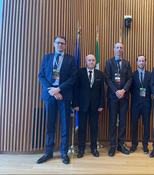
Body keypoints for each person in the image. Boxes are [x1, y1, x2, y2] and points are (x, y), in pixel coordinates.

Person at [37, 36, 77, 164]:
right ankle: (48, 152)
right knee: (50, 124)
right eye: (58, 43)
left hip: (64, 95)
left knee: (65, 124)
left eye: (63, 43)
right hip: (50, 96)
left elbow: (73, 78)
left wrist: (59, 89)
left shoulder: (70, 59)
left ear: (65, 45)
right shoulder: (47, 57)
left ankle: (64, 153)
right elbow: (41, 75)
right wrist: (52, 90)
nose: (60, 45)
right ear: (54, 44)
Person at [73, 54, 105, 158]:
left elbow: (102, 91)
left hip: (95, 106)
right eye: (89, 60)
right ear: (86, 62)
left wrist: (101, 104)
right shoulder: (80, 72)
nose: (91, 62)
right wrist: (75, 104)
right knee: (82, 128)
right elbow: (75, 89)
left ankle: (94, 148)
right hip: (82, 106)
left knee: (94, 128)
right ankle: (81, 149)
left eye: (93, 60)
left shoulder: (100, 74)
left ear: (95, 62)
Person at [104, 42, 132, 157]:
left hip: (124, 97)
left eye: (121, 47)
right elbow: (107, 78)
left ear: (123, 50)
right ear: (114, 49)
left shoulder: (127, 63)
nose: (119, 49)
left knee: (123, 122)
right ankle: (112, 146)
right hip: (113, 97)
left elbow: (130, 78)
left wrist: (123, 90)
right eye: (117, 47)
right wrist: (116, 91)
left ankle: (121, 144)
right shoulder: (109, 62)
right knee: (112, 121)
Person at [130, 55, 152, 154]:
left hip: (146, 104)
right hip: (135, 104)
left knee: (146, 125)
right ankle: (134, 144)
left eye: (143, 61)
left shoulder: (150, 75)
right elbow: (130, 89)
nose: (141, 63)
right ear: (137, 62)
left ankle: (145, 145)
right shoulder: (132, 75)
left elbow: (152, 88)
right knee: (134, 125)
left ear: (145, 62)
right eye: (139, 61)